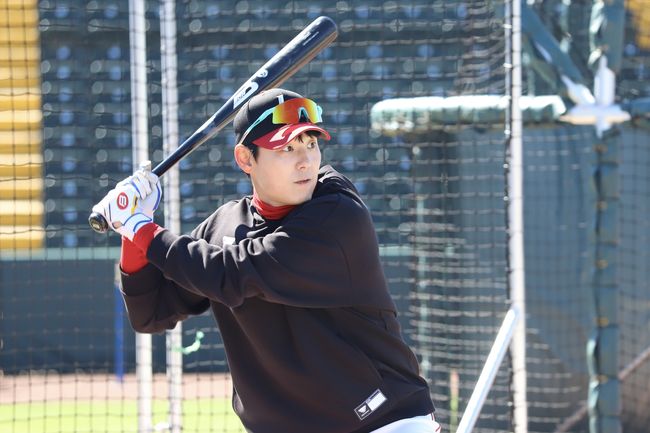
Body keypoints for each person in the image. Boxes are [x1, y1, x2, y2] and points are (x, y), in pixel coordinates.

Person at [92, 89, 440, 433]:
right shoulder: (223, 226)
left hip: (384, 421)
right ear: (246, 159)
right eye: (286, 148)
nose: (305, 161)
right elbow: (151, 313)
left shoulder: (337, 214)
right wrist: (131, 230)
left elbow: (232, 273)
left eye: (311, 144)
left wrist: (140, 228)